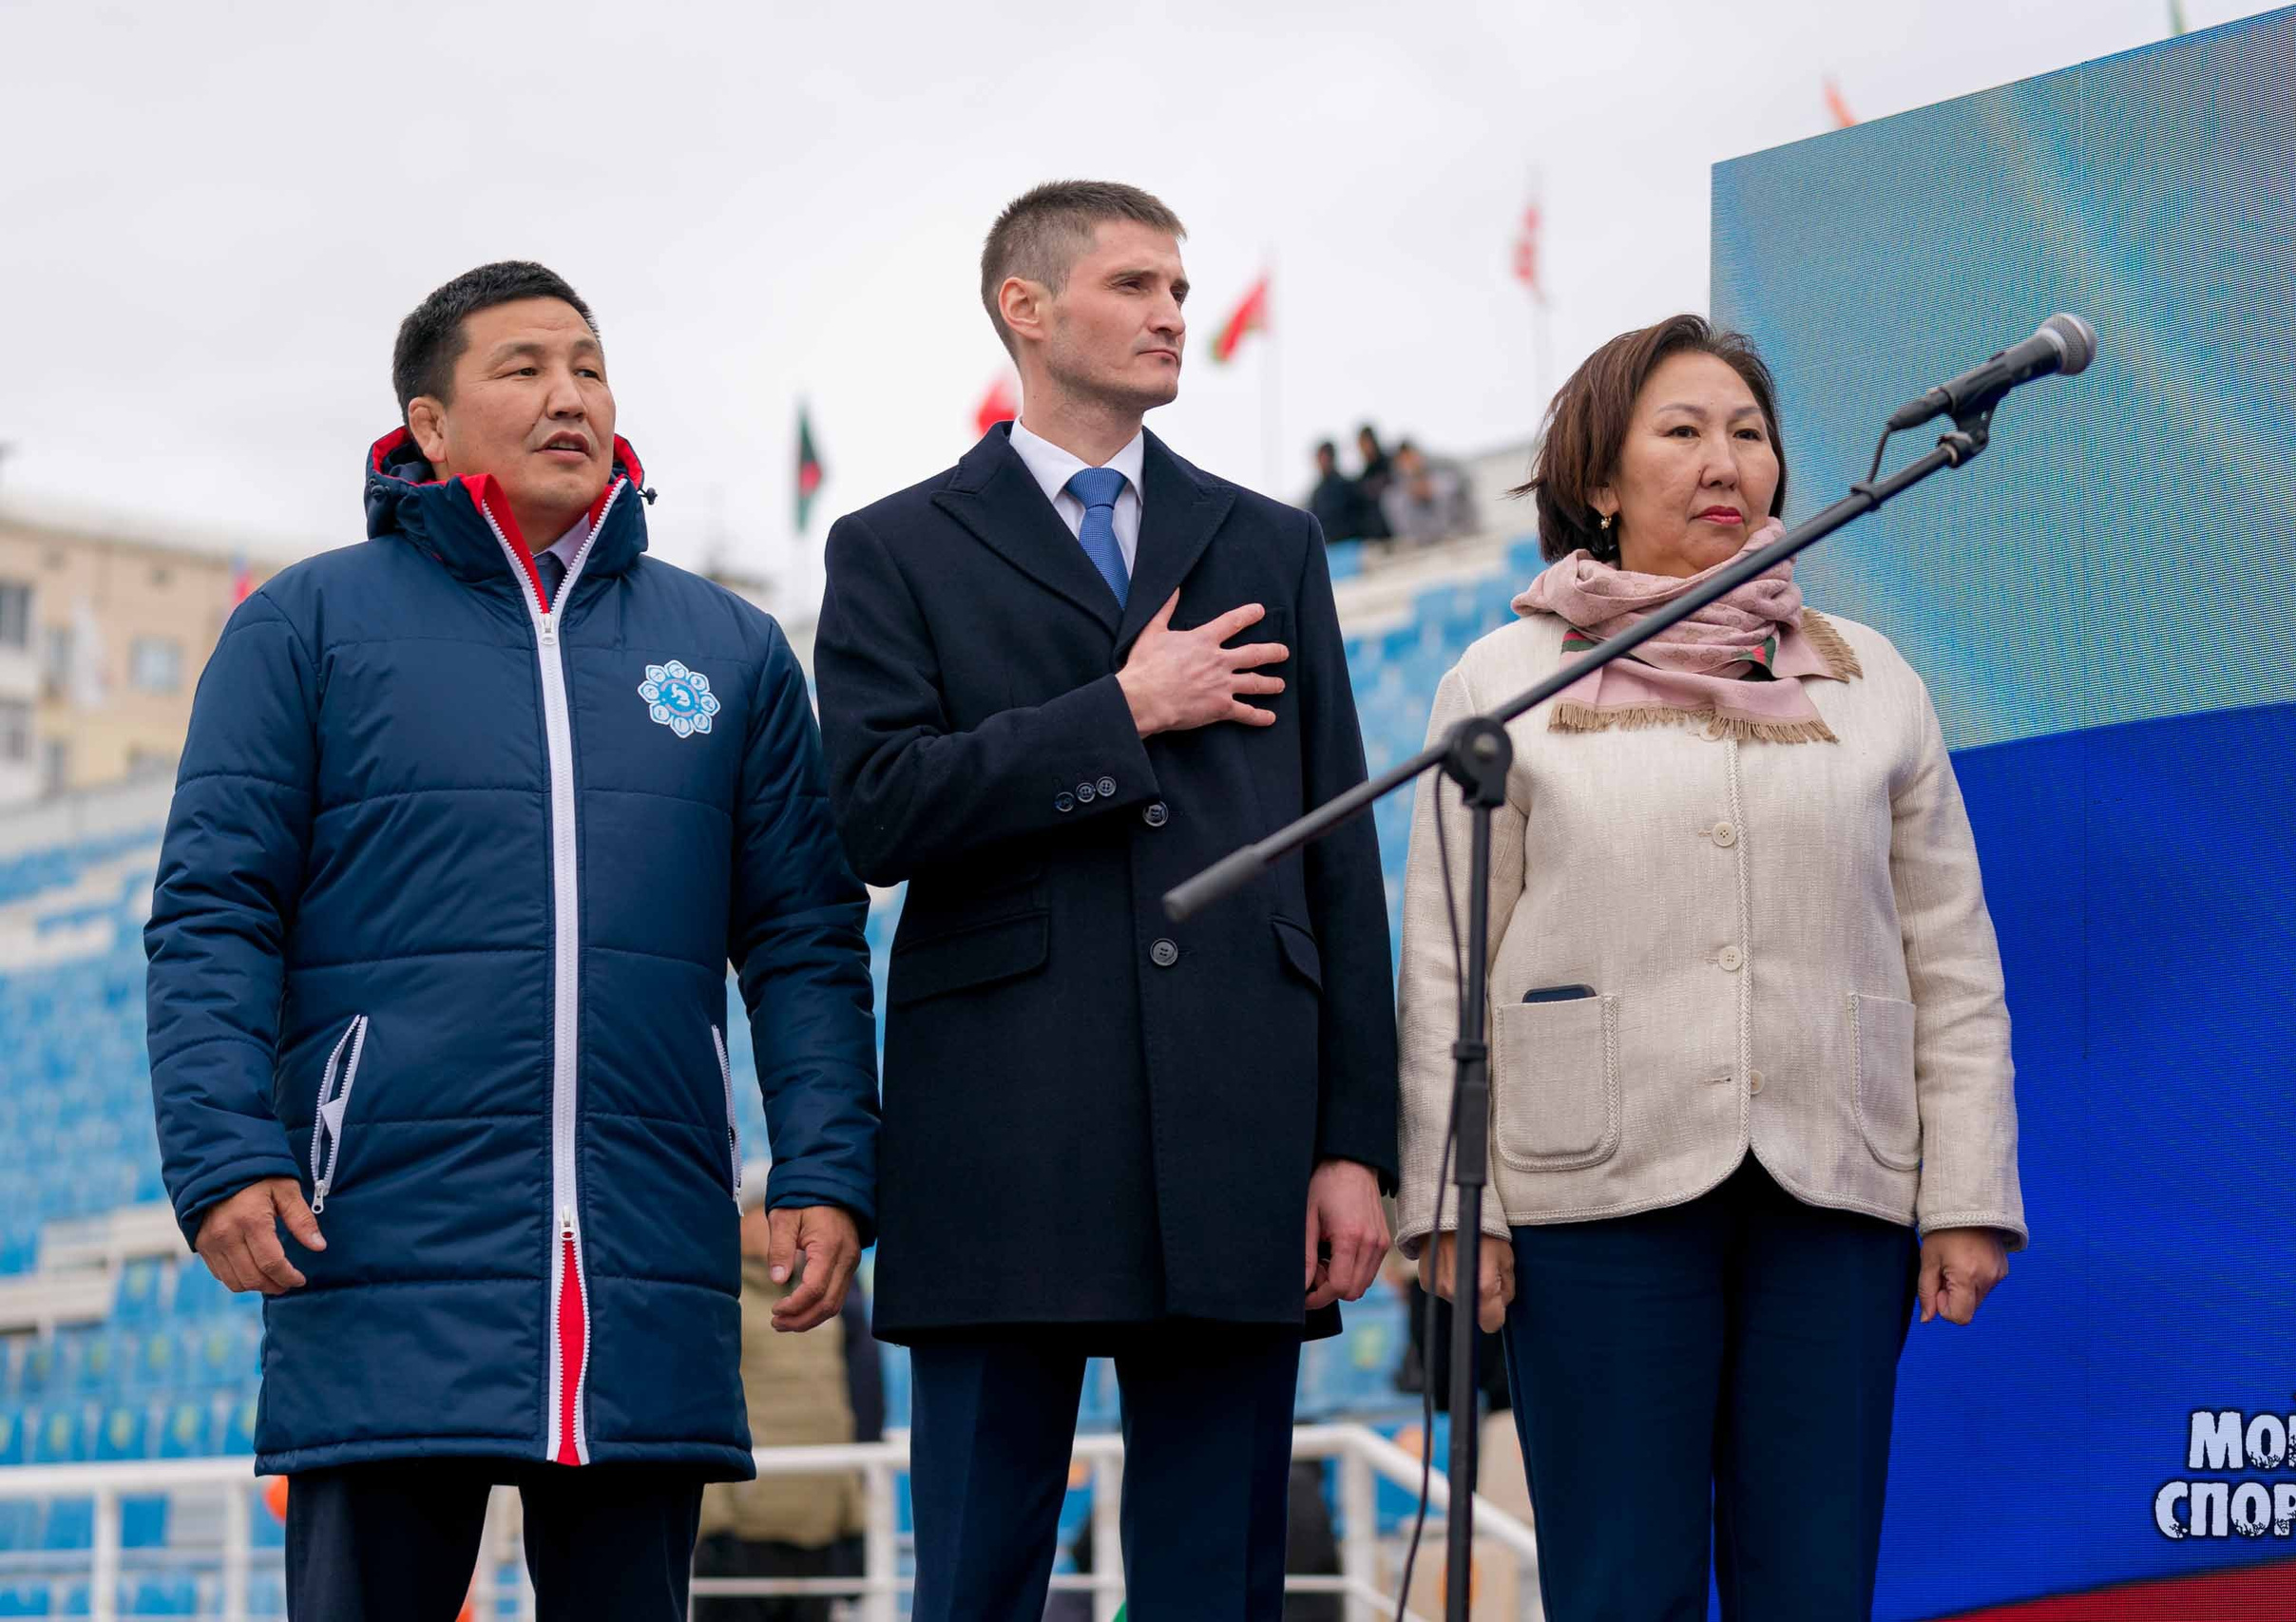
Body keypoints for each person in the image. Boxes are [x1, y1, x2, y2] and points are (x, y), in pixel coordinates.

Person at [144, 261, 879, 1622]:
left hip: (643, 1255)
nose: (569, 396)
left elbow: (804, 935)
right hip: (374, 1240)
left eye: (589, 367)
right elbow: (213, 910)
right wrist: (223, 1149)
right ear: (427, 424)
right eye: (525, 367)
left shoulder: (727, 648)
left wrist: (828, 1162)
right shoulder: (304, 626)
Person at [813, 181, 1398, 1622]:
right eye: (1137, 284)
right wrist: (1121, 712)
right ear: (1027, 305)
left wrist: (1354, 1141)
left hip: (1238, 1122)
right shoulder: (895, 547)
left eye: (1182, 292)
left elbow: (1338, 849)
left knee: (1218, 1576)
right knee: (975, 1572)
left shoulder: (1268, 539)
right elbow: (875, 810)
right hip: (1002, 1124)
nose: (1172, 316)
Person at [1395, 314, 2026, 1621]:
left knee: (1814, 1580)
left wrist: (1966, 1186)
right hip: (1589, 1196)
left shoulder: (1875, 682)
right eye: (1681, 431)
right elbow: (1447, 963)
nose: (1724, 458)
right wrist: (1456, 1203)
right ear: (1602, 481)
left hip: (1833, 1183)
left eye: (1748, 431)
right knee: (1623, 1581)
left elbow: (1952, 956)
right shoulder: (1505, 679)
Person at [694, 1164, 867, 1621]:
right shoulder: (714, 1302)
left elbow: (837, 1412)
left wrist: (854, 1521)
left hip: (817, 1530)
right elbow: (702, 1409)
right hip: (743, 1533)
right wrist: (712, 1527)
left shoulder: (821, 1303)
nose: (780, 1228)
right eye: (764, 1213)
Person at [1377, 438, 1473, 547]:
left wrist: (1433, 494)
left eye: (1411, 457)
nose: (1409, 464)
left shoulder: (1446, 482)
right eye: (1404, 460)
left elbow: (1464, 516)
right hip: (1420, 549)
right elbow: (1404, 532)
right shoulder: (1393, 498)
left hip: (1457, 543)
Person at [1305, 439, 1367, 544]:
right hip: (1329, 547)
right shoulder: (1317, 493)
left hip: (1348, 545)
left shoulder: (1347, 487)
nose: (1321, 463)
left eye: (1323, 458)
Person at [1352, 423, 1395, 539]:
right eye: (1361, 445)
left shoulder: (1391, 465)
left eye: (1365, 443)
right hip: (1374, 536)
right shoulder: (1363, 477)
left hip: (1396, 531)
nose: (1363, 448)